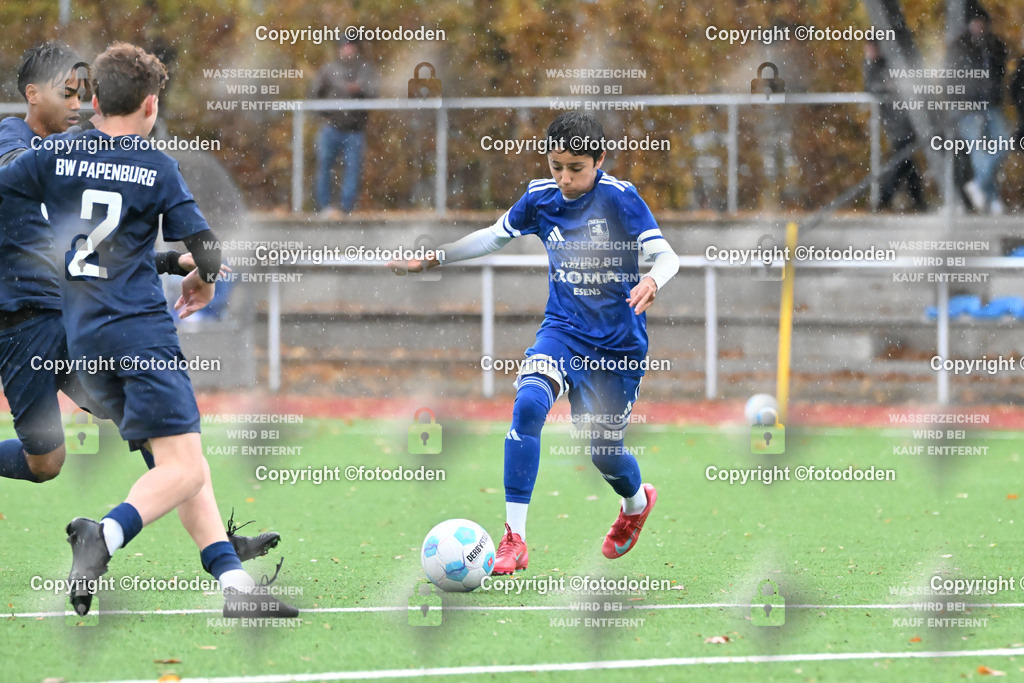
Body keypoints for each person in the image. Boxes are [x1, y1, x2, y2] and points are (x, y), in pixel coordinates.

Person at [0, 42, 296, 618]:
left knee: (174, 456)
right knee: (156, 462)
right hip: (104, 330)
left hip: (80, 334)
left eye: (79, 91)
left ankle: (229, 572)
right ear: (151, 106)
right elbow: (204, 245)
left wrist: (161, 263)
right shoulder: (153, 164)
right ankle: (103, 537)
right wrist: (203, 279)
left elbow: (89, 233)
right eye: (63, 89)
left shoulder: (52, 156)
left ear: (95, 99)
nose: (72, 98)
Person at [390, 111, 679, 573]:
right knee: (528, 405)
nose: (564, 178)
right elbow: (491, 237)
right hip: (562, 331)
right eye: (555, 166)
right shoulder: (540, 198)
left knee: (604, 452)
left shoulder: (622, 200)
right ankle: (514, 538)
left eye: (575, 169)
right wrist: (435, 259)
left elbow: (667, 256)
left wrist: (653, 281)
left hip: (617, 349)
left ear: (599, 160)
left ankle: (635, 504)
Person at [949, 7, 1010, 214]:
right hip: (969, 107)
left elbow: (999, 73)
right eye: (975, 22)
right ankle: (991, 198)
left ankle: (979, 185)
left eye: (981, 22)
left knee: (1002, 145)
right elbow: (950, 78)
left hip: (991, 105)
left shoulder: (994, 45)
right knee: (979, 152)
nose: (979, 26)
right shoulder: (959, 47)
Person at [311, 38, 376, 216]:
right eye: (345, 47)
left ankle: (346, 209)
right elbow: (315, 93)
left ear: (356, 49)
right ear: (340, 49)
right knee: (324, 166)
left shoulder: (364, 70)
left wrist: (359, 90)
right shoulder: (329, 70)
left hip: (355, 130)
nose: (348, 50)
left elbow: (373, 92)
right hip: (331, 127)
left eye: (351, 47)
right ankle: (324, 208)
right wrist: (325, 115)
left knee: (353, 169)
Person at [863, 39, 927, 212]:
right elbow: (872, 87)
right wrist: (889, 86)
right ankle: (892, 197)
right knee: (903, 158)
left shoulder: (888, 63)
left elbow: (906, 83)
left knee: (905, 158)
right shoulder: (872, 66)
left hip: (903, 117)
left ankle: (907, 198)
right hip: (894, 119)